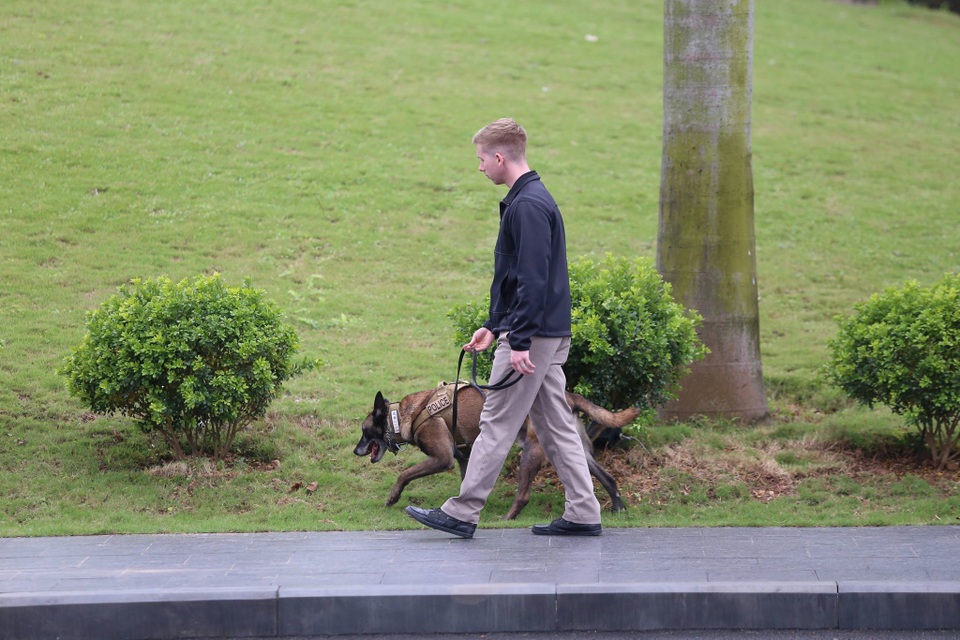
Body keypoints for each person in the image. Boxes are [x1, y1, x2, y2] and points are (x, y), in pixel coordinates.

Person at [405, 118, 602, 538]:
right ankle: (584, 512)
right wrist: (494, 326)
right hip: (538, 332)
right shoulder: (527, 200)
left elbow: (533, 278)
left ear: (499, 157)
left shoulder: (528, 205)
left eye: (480, 160)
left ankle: (462, 511)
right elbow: (517, 276)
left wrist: (520, 339)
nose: (479, 168)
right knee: (554, 425)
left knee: (495, 420)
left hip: (533, 336)